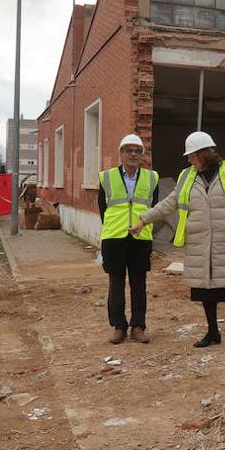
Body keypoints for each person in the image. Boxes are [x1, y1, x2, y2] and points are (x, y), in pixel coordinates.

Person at [130, 131, 225, 354]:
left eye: (192, 156)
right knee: (205, 292)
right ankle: (213, 332)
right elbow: (169, 203)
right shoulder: (187, 177)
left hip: (224, 242)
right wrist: (143, 219)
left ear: (204, 154)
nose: (189, 160)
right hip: (198, 244)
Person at [98, 134, 160, 344]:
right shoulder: (106, 177)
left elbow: (155, 208)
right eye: (128, 150)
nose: (133, 154)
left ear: (142, 154)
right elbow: (102, 208)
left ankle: (138, 326)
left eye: (137, 151)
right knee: (115, 284)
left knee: (139, 284)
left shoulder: (152, 178)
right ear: (121, 153)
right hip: (114, 237)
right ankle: (119, 326)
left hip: (141, 237)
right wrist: (114, 226)